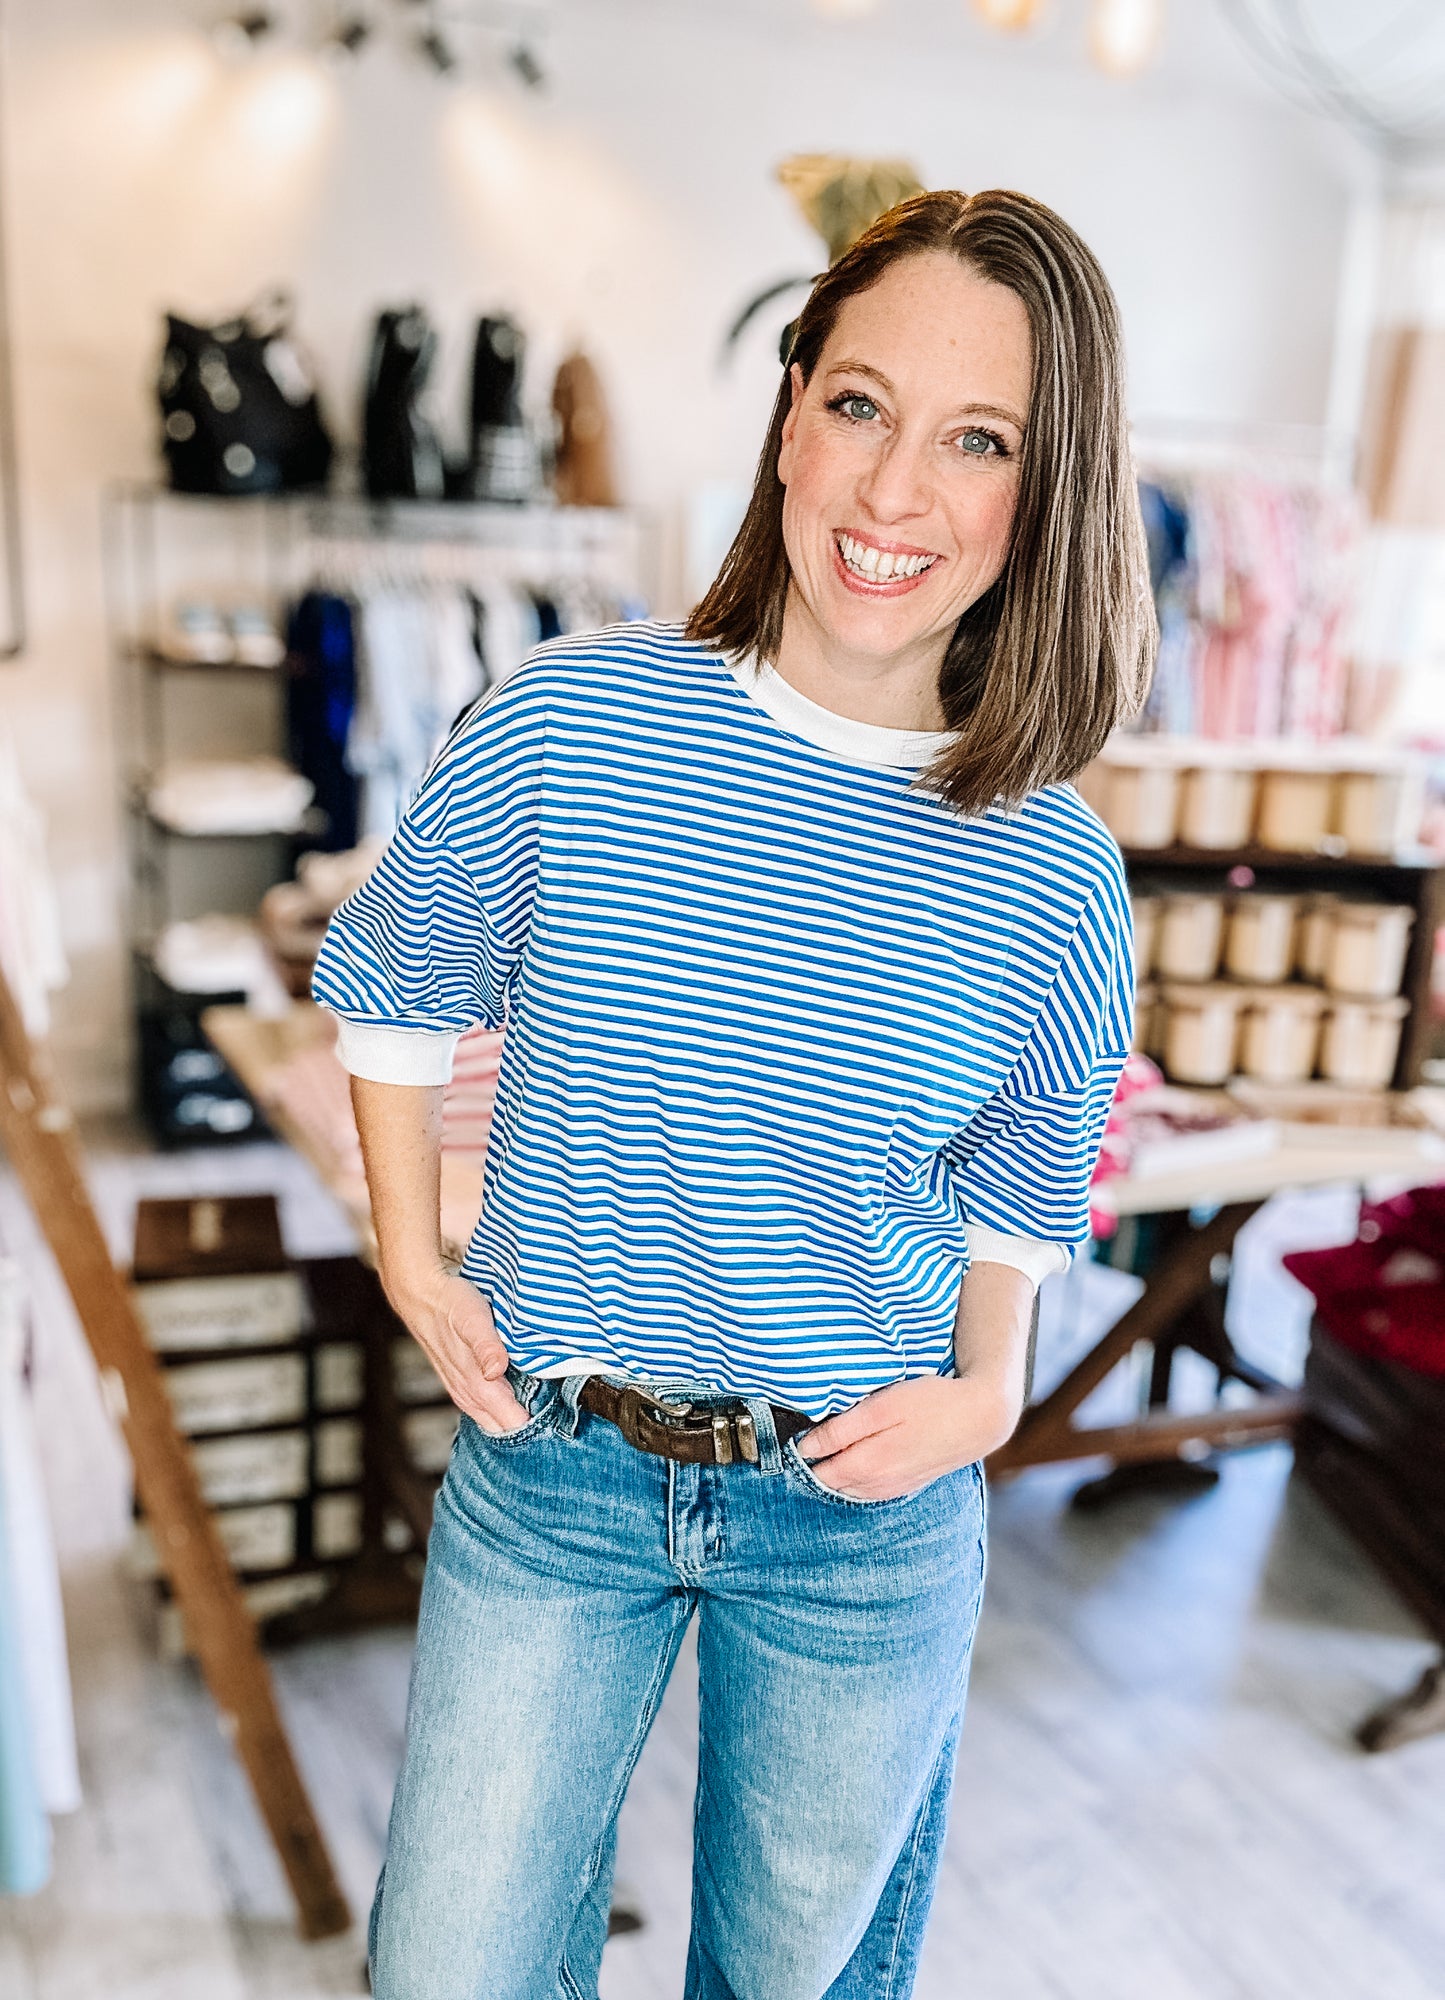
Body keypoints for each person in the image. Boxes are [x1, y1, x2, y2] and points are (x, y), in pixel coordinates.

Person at [312, 186, 1154, 2000]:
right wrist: (406, 1254)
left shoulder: (1052, 867)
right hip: (560, 1469)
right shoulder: (570, 718)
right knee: (445, 1968)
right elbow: (390, 979)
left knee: (792, 1983)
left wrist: (992, 1393)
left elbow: (1025, 1169)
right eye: (857, 405)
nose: (891, 490)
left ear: (1044, 490)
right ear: (789, 412)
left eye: (976, 439)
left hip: (859, 1505)